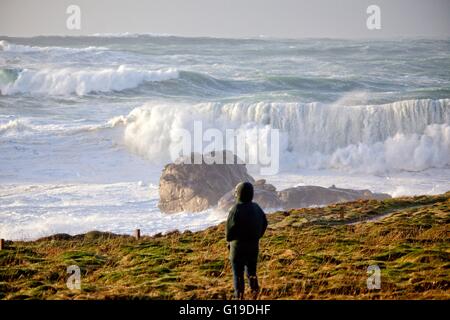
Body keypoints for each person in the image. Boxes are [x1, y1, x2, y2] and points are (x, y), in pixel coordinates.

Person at [226, 181, 268, 299]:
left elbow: (229, 233)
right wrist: (257, 236)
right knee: (252, 273)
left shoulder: (235, 209)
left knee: (238, 276)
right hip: (253, 248)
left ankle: (239, 298)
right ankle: (255, 295)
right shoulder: (256, 207)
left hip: (237, 249)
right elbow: (265, 223)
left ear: (238, 194)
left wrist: (230, 242)